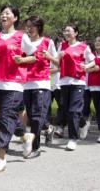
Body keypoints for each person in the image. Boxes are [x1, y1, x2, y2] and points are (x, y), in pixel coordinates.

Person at [0, 5, 36, 173]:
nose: (3, 16)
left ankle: (1, 157)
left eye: (7, 13)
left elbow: (34, 57)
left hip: (14, 83)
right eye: (2, 13)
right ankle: (25, 136)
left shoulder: (22, 37)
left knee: (6, 117)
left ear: (15, 18)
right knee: (8, 116)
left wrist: (22, 60)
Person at [23, 16, 58, 158]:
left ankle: (35, 147)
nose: (29, 29)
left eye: (32, 26)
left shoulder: (48, 42)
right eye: (27, 26)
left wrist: (49, 57)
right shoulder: (24, 43)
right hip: (26, 85)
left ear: (39, 27)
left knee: (37, 116)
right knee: (32, 117)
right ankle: (48, 128)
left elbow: (58, 63)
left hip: (41, 84)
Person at [57, 24, 95, 151]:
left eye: (69, 30)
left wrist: (87, 67)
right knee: (67, 109)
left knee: (74, 110)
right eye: (65, 30)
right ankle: (83, 123)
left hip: (78, 81)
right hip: (64, 81)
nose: (66, 32)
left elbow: (93, 61)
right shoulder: (62, 46)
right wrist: (59, 56)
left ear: (76, 33)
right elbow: (56, 63)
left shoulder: (83, 47)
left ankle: (73, 139)